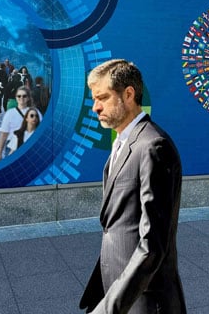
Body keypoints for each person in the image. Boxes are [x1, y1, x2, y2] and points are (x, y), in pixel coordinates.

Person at [79, 59, 186, 314]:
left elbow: (152, 244)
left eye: (102, 97)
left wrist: (109, 307)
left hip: (146, 300)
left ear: (128, 94)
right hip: (121, 291)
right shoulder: (121, 145)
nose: (95, 107)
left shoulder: (152, 146)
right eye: (94, 99)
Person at [0, 86, 42, 161]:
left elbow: (41, 131)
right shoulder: (10, 113)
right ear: (16, 98)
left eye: (24, 96)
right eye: (19, 96)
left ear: (28, 98)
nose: (21, 98)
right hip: (12, 145)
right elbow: (4, 134)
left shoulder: (36, 112)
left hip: (30, 144)